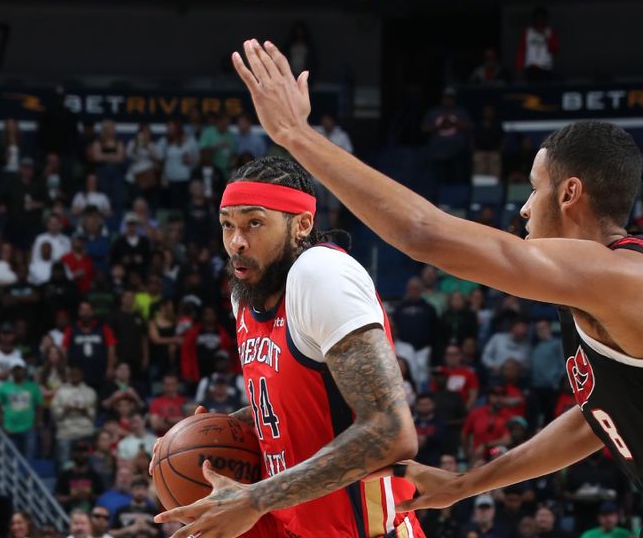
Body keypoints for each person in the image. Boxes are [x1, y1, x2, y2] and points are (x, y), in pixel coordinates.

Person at [231, 39, 643, 508]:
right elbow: (597, 414)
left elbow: (422, 234)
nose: (525, 209)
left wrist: (294, 134)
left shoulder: (619, 276)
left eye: (534, 189)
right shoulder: (598, 293)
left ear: (569, 194)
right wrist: (466, 484)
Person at [154, 156, 422, 537]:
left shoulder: (321, 275)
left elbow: (391, 432)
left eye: (254, 223)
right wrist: (208, 434)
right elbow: (302, 399)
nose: (237, 242)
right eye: (227, 226)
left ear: (302, 224)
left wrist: (256, 499)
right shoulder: (245, 296)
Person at [0, 359, 43, 460]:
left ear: (24, 370)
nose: (18, 372)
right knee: (8, 459)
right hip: (9, 428)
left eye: (20, 369)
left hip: (28, 428)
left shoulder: (33, 387)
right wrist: (2, 424)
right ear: (11, 372)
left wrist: (36, 423)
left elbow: (39, 406)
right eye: (15, 370)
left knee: (28, 460)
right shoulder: (4, 387)